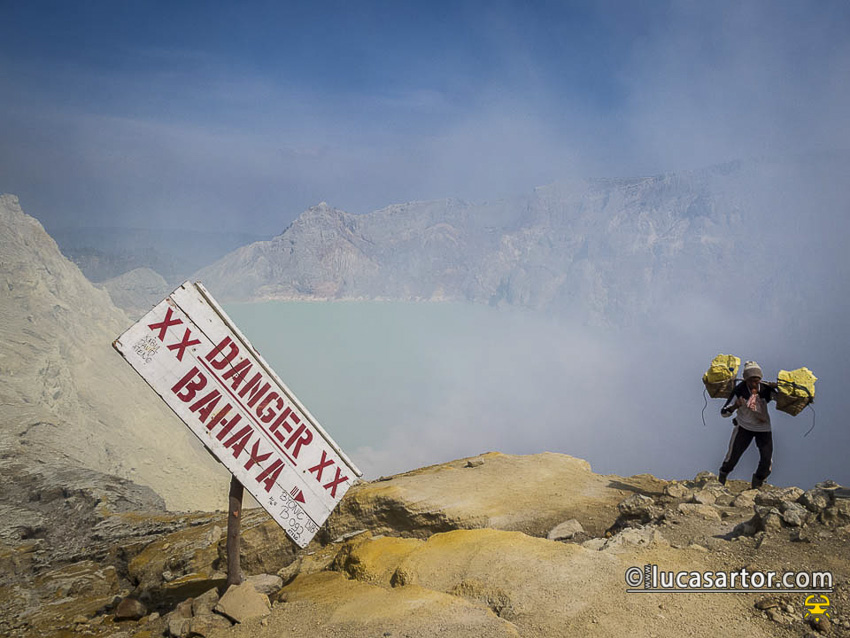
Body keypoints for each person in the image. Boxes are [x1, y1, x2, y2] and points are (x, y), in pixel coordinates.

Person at [718, 361, 779, 489]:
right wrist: (735, 406)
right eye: (752, 381)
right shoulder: (739, 391)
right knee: (732, 457)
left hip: (763, 428)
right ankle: (722, 475)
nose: (755, 384)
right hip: (744, 427)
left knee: (766, 460)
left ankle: (757, 481)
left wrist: (779, 389)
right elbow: (724, 412)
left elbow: (781, 399)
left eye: (757, 380)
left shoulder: (766, 389)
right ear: (746, 380)